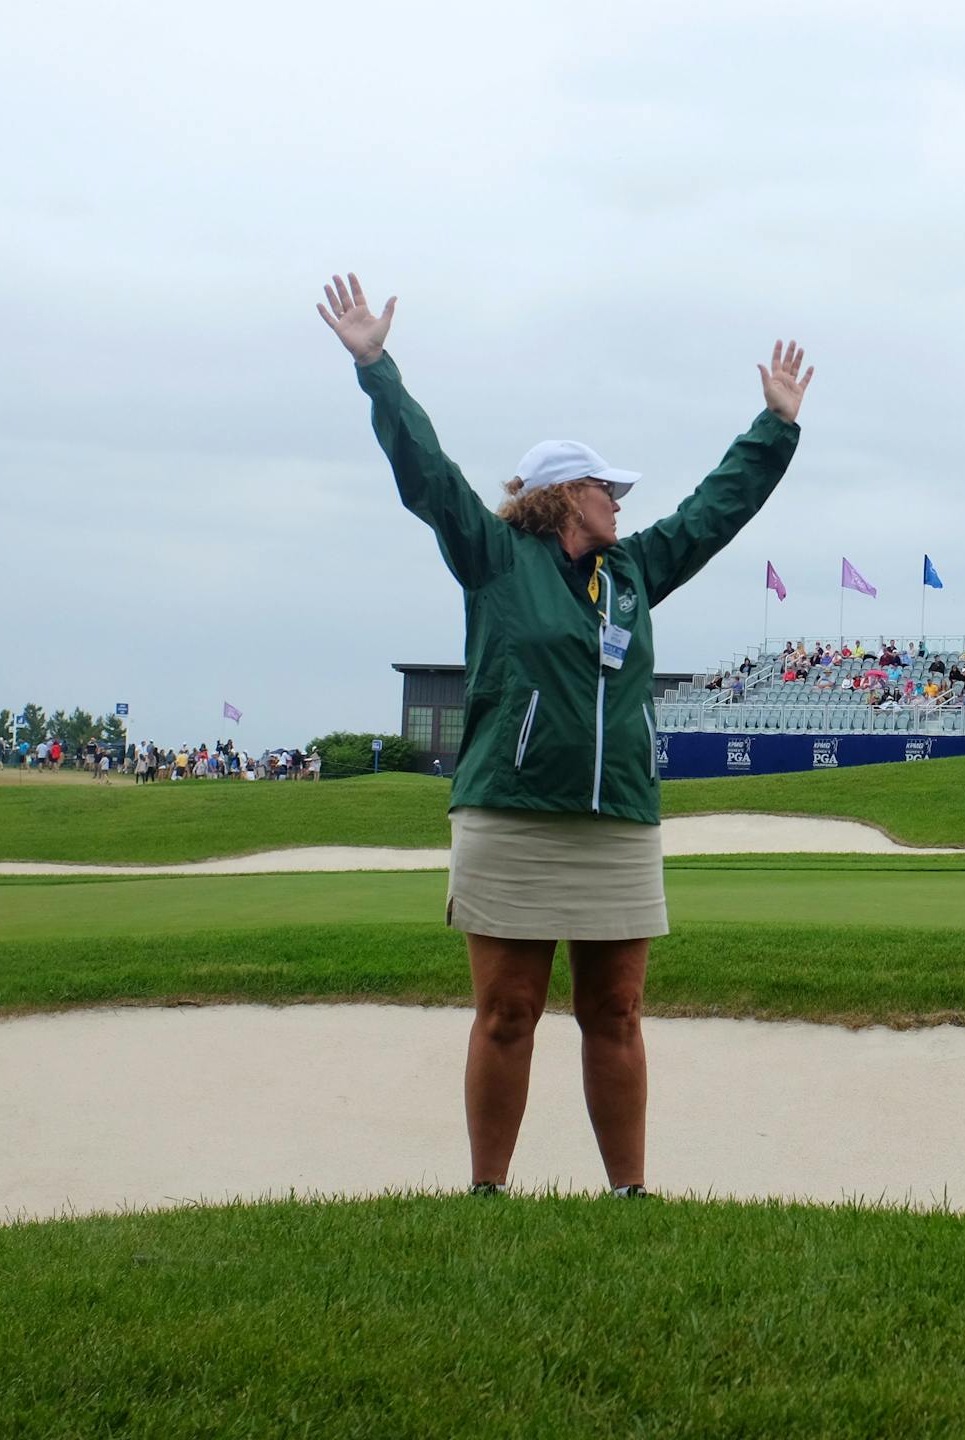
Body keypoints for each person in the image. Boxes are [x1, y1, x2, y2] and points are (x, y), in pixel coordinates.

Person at [320, 270, 811, 1198]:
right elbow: (427, 476)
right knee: (508, 1011)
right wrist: (377, 368)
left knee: (616, 1011)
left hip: (618, 819)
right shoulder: (495, 557)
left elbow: (715, 513)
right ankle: (488, 1193)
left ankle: (629, 1194)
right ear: (560, 496)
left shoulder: (633, 570)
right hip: (512, 813)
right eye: (604, 488)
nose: (620, 502)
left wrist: (775, 428)